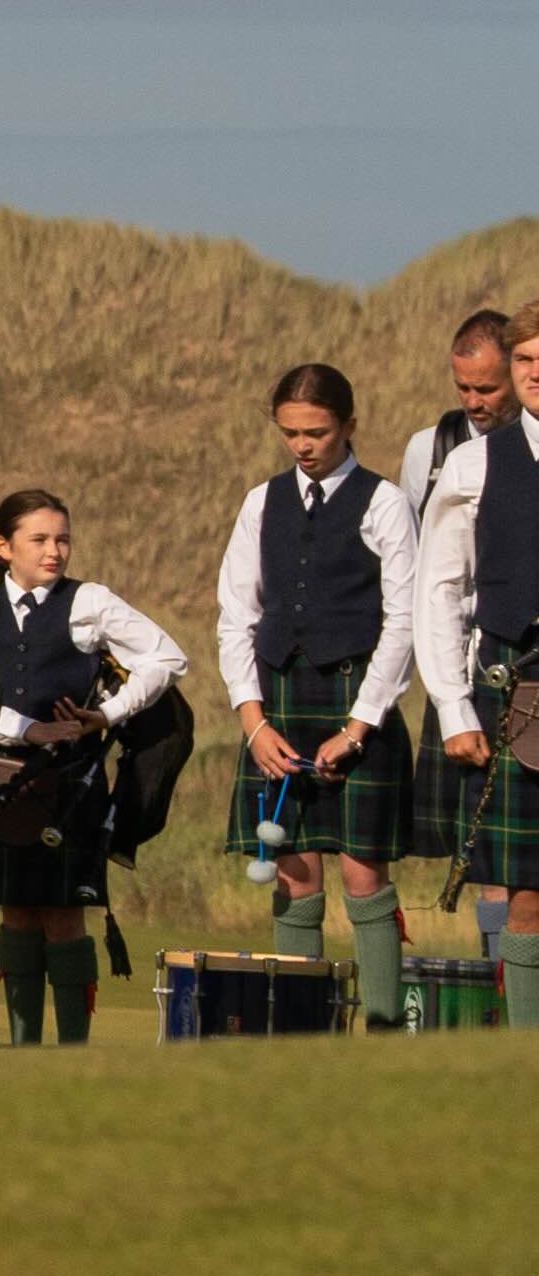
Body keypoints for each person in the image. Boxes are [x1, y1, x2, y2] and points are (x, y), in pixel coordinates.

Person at [208, 365, 416, 1024]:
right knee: (293, 872)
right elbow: (236, 617)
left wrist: (359, 726)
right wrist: (252, 722)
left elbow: (404, 621)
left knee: (363, 875)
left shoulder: (385, 503)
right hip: (278, 704)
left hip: (359, 701)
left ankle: (382, 1027)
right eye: (290, 432)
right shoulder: (260, 502)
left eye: (317, 433)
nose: (302, 445)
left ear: (349, 425)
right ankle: (299, 1034)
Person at [0, 490, 185, 1047]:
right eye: (39, 540)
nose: (54, 551)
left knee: (64, 916)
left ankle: (74, 1051)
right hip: (0, 784)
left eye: (62, 540)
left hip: (71, 786)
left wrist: (108, 714)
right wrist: (22, 728)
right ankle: (23, 1048)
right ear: (4, 547)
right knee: (15, 913)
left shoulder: (89, 603)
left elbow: (168, 657)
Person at [396, 323, 539, 1019]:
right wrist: (454, 707)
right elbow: (438, 591)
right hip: (516, 689)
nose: (534, 371)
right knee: (528, 892)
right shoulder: (473, 465)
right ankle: (523, 1052)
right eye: (525, 359)